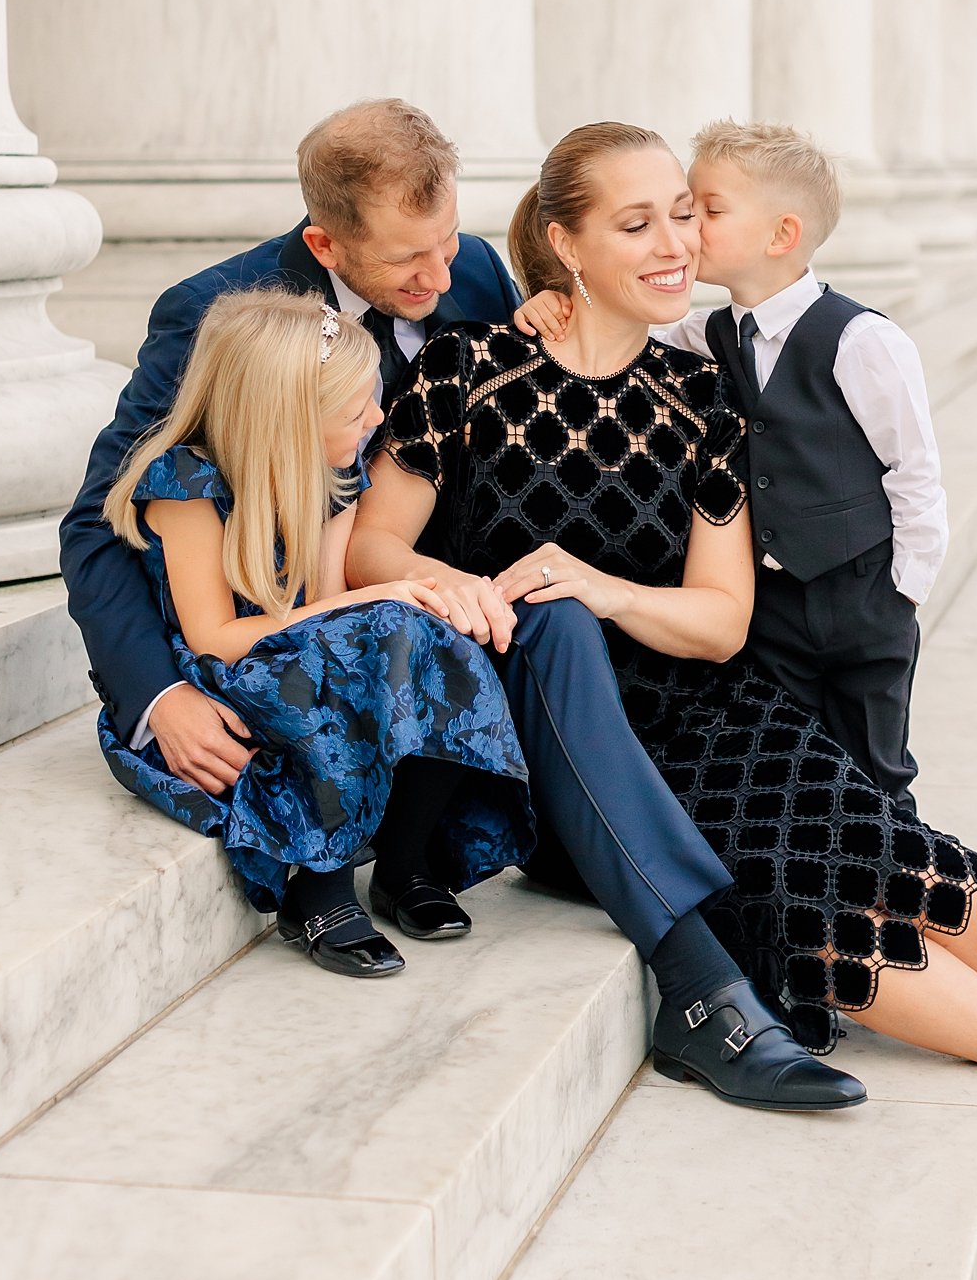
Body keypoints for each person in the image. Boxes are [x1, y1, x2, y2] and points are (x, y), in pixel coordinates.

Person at [352, 122, 977, 1206]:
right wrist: (464, 586)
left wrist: (606, 585)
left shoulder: (703, 393)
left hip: (706, 707)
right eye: (637, 223)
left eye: (682, 211)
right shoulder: (469, 368)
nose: (675, 240)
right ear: (566, 247)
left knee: (863, 843)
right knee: (796, 898)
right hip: (559, 745)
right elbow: (372, 546)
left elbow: (720, 622)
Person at [65, 101, 841, 1106]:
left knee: (551, 611)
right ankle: (700, 968)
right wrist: (156, 694)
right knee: (501, 623)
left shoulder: (473, 270)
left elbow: (538, 364)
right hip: (320, 613)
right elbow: (99, 522)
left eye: (446, 246)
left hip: (453, 608)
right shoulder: (220, 314)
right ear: (325, 244)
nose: (439, 281)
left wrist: (543, 310)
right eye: (406, 265)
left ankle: (684, 962)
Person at [98, 289, 533, 974]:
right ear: (286, 416)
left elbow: (329, 604)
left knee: (434, 634)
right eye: (354, 408)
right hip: (222, 677)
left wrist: (400, 605)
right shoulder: (187, 484)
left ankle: (404, 858)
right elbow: (214, 637)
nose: (377, 417)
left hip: (300, 656)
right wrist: (385, 595)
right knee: (378, 626)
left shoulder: (334, 471)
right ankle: (320, 889)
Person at [519, 116, 943, 810]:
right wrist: (558, 299)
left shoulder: (863, 340)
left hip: (861, 593)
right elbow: (622, 321)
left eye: (704, 211)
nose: (688, 232)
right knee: (794, 753)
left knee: (876, 757)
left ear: (781, 236)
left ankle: (892, 856)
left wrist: (904, 592)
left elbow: (915, 472)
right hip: (773, 603)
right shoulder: (707, 331)